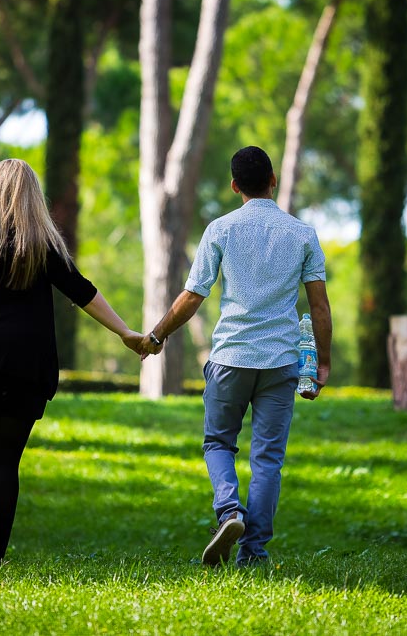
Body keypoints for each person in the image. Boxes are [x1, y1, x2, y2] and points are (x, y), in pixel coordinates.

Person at [0, 158, 144, 563]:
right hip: (23, 368)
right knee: (4, 463)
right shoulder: (41, 243)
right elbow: (82, 291)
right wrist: (126, 332)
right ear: (32, 197)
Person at [140, 145, 332, 567]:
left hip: (230, 357)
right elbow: (318, 305)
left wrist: (156, 336)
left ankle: (229, 511)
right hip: (281, 362)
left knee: (218, 442)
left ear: (234, 186)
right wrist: (322, 362)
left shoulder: (221, 229)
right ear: (273, 180)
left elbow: (192, 297)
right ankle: (254, 552)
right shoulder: (302, 233)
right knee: (267, 459)